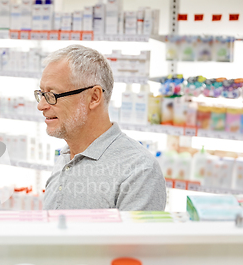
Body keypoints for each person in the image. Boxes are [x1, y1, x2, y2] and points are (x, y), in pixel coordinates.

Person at [35, 45, 166, 211]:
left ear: (94, 97)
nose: (41, 106)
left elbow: (137, 237)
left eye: (52, 95)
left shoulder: (139, 171)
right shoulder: (65, 157)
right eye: (41, 94)